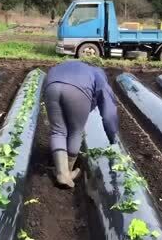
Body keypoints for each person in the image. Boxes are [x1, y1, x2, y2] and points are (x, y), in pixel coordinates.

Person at [43, 60, 119, 188]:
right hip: (77, 89)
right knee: (75, 130)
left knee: (58, 131)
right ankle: (67, 172)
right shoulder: (100, 78)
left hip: (51, 84)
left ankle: (61, 172)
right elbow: (109, 115)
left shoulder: (81, 68)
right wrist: (113, 138)